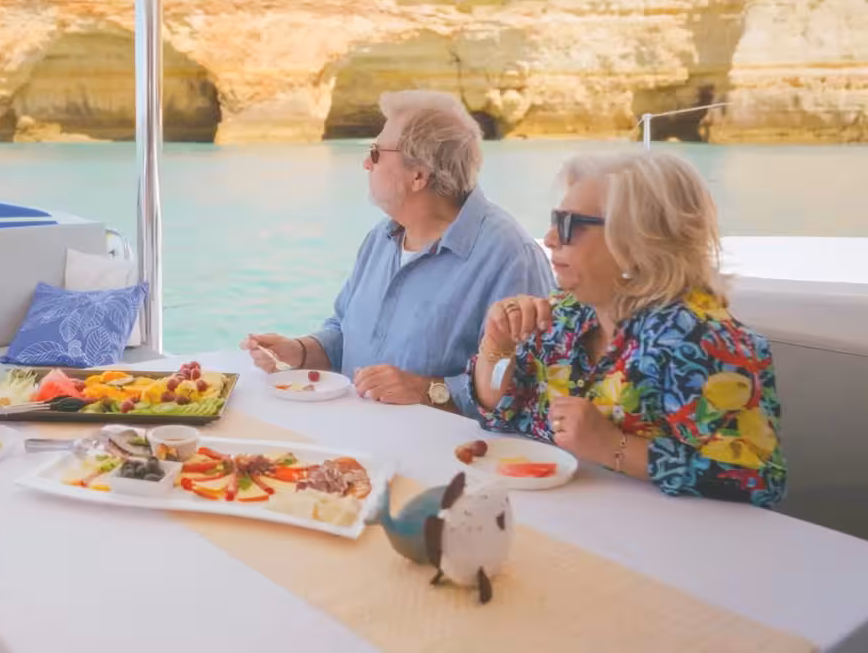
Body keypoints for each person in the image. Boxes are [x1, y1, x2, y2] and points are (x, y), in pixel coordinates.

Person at [469, 151, 786, 507]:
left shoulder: (706, 342)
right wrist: (496, 348)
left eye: (570, 225)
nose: (551, 238)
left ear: (638, 241)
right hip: (566, 520)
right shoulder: (567, 315)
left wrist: (613, 447)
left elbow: (756, 480)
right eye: (554, 220)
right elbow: (501, 413)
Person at [242, 90, 553, 415]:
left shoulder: (512, 257)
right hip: (359, 449)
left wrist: (426, 390)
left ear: (418, 175)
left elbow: (528, 393)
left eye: (375, 153)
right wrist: (301, 351)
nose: (365, 163)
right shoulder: (382, 237)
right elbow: (343, 330)